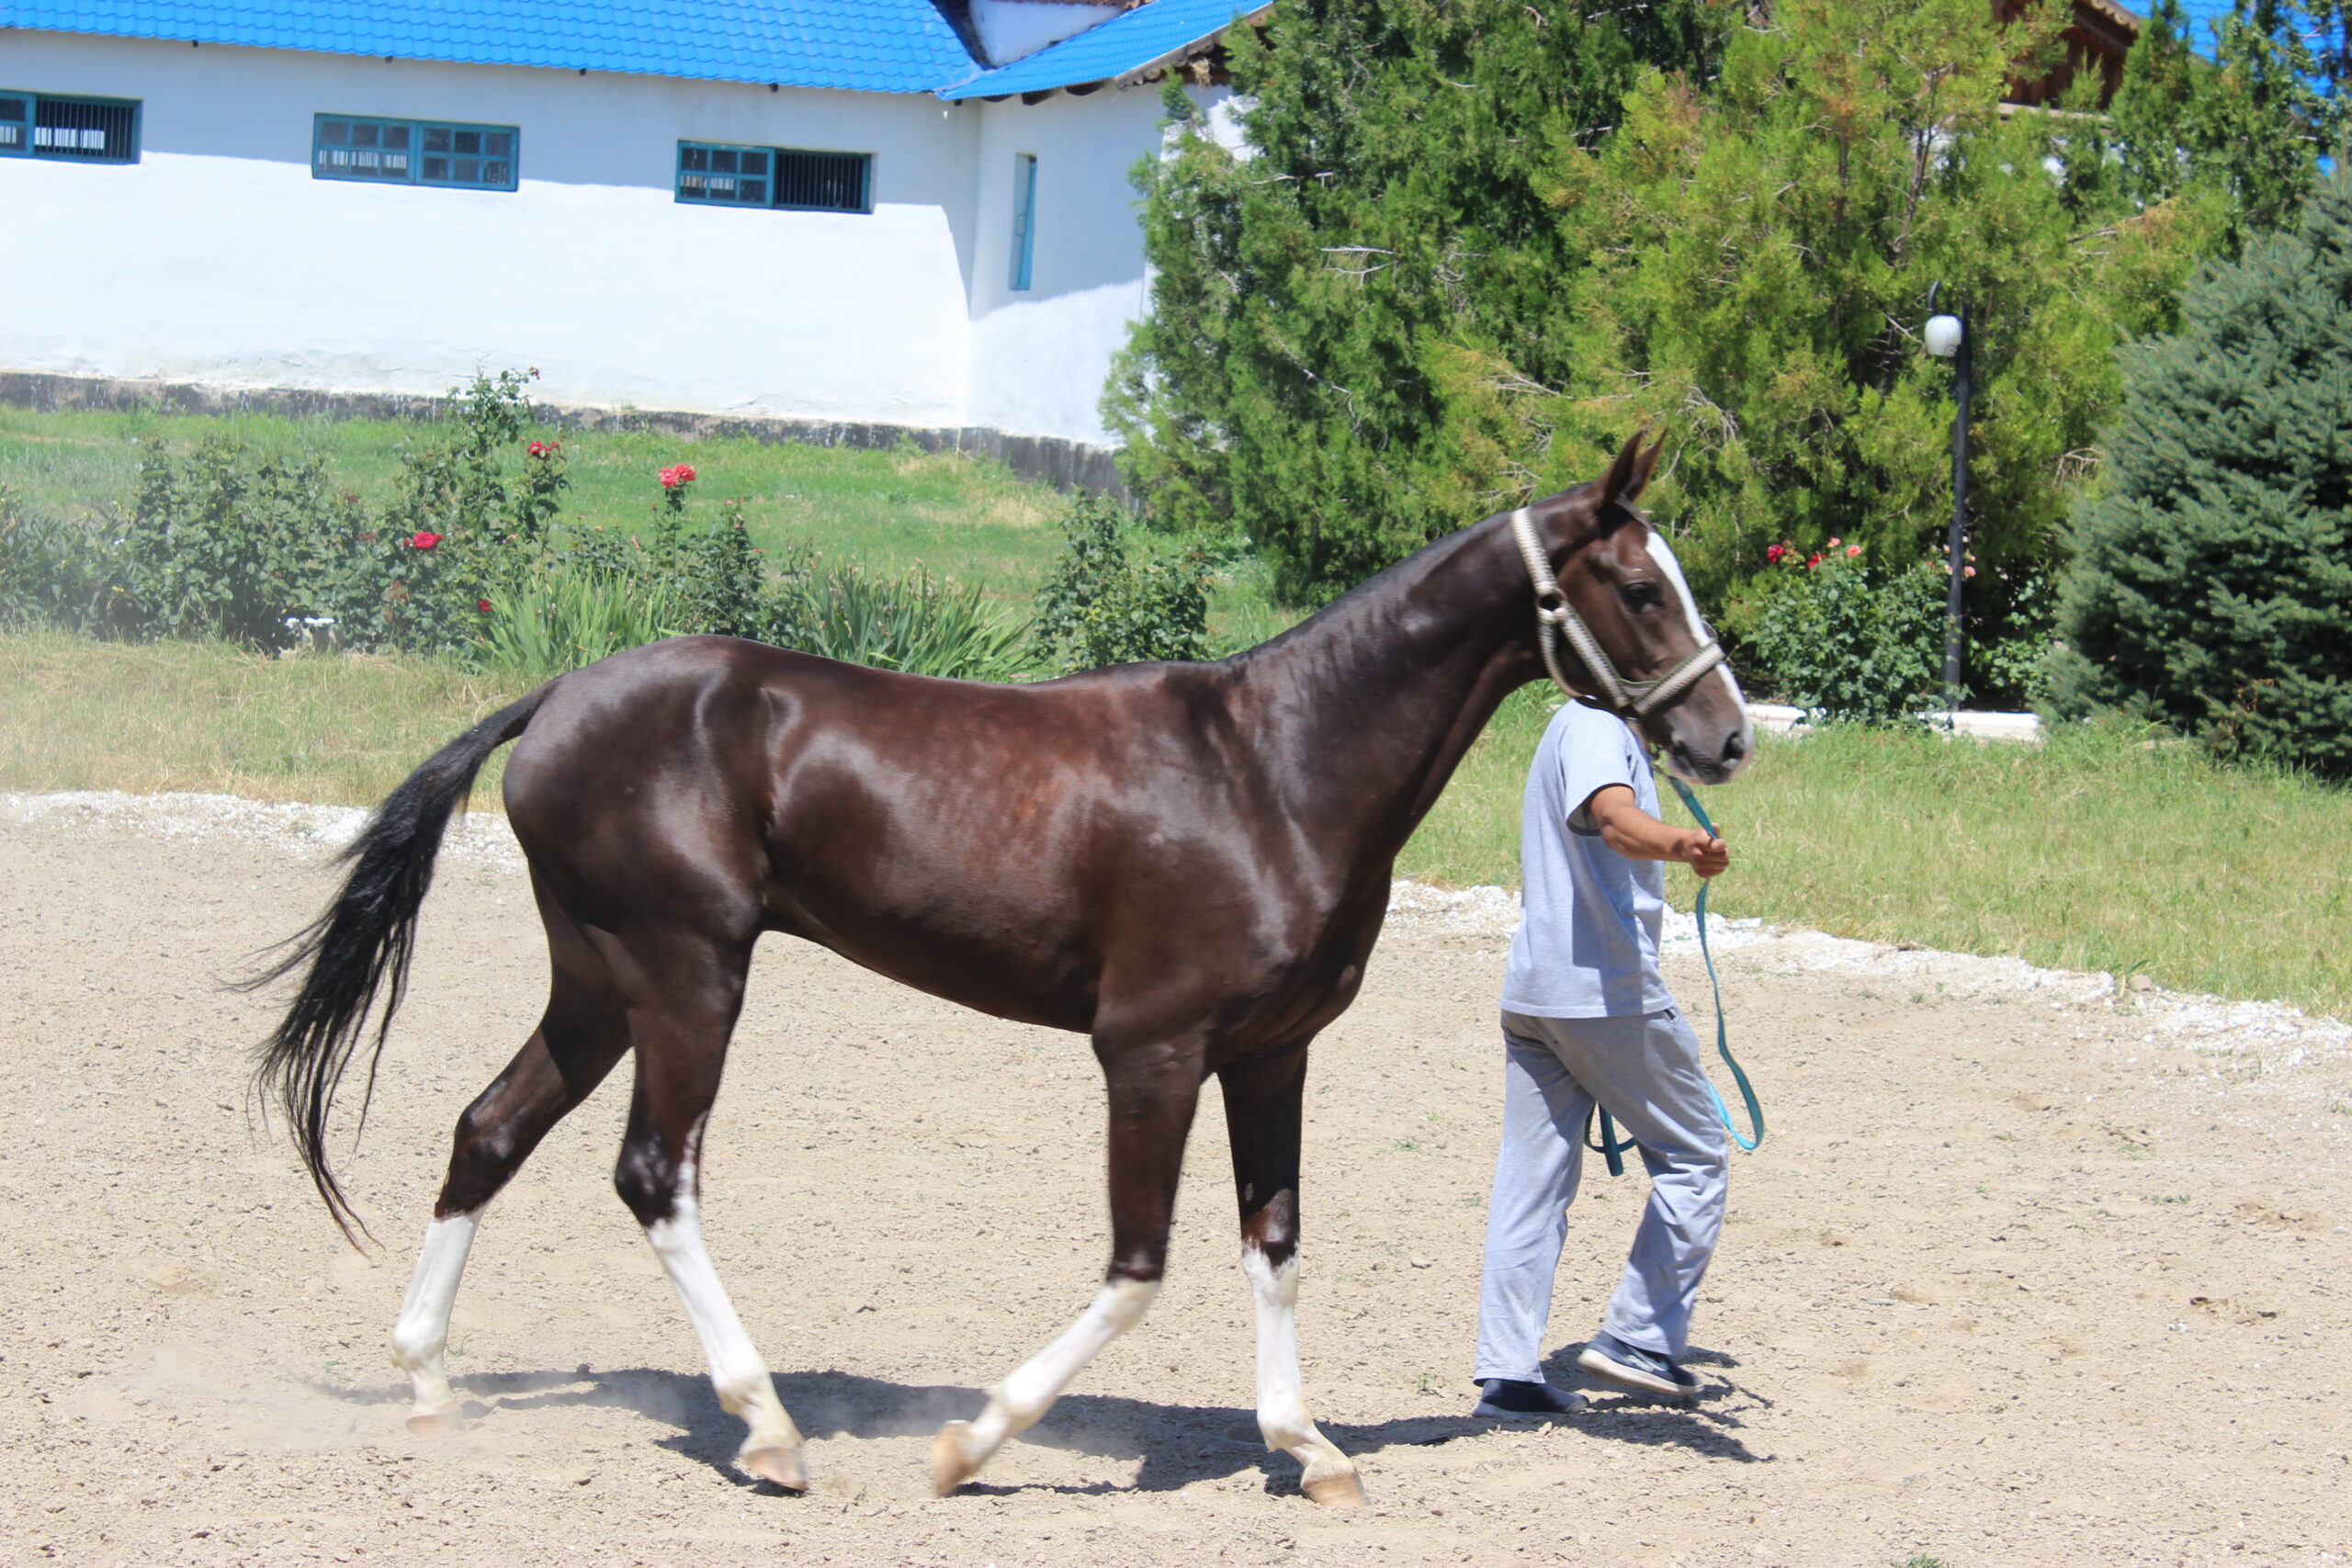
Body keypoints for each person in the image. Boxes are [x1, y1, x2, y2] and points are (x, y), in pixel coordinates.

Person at [1470, 694, 1732, 1418]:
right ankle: (1640, 1339)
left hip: (1535, 991)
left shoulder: (1574, 723)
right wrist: (1681, 843)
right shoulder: (1595, 726)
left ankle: (1509, 1373)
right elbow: (1612, 819)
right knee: (1696, 1153)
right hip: (1602, 992)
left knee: (1532, 1181)